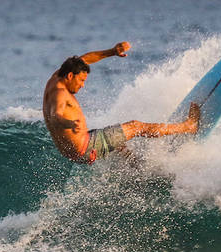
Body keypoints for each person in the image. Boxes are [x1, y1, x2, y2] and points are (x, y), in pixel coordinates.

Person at [43, 41, 200, 163]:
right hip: (86, 146)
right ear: (70, 76)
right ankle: (188, 126)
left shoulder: (56, 79)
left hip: (75, 151)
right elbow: (55, 116)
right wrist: (68, 123)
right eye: (81, 80)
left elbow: (84, 59)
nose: (83, 84)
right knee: (135, 126)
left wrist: (112, 52)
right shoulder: (60, 94)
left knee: (119, 144)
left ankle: (137, 168)